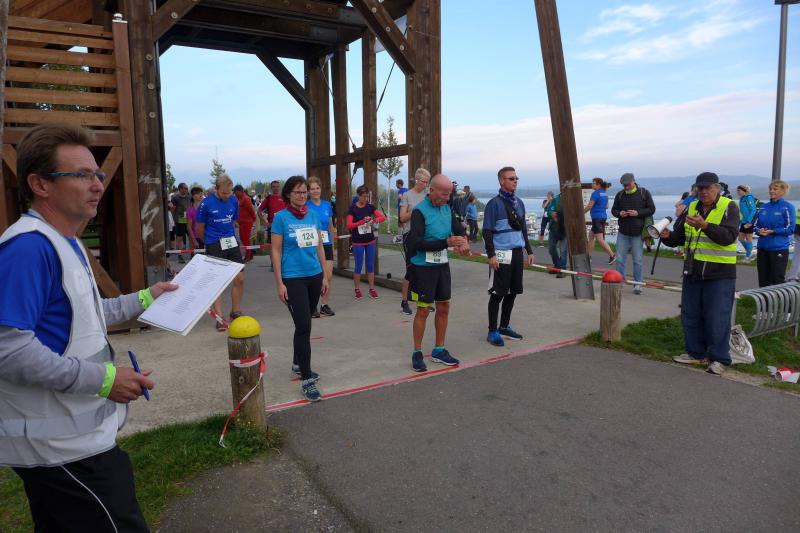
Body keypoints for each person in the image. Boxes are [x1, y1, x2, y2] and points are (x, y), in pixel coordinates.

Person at [0, 123, 178, 532]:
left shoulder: (64, 240)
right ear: (40, 185)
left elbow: (87, 313)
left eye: (97, 174)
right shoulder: (28, 249)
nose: (98, 184)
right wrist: (105, 380)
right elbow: (8, 350)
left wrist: (148, 297)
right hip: (62, 452)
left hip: (69, 446)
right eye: (81, 175)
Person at [660, 172, 740, 376]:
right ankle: (695, 353)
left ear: (717, 188)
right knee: (690, 314)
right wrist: (666, 236)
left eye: (708, 188)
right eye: (700, 188)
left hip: (720, 273)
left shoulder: (729, 206)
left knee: (717, 317)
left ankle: (719, 358)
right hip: (693, 271)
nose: (703, 191)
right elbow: (679, 237)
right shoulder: (692, 206)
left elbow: (729, 237)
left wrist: (705, 226)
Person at [271, 176, 329, 402]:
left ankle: (298, 364)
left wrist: (325, 276)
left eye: (304, 192)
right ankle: (306, 379)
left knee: (304, 324)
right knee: (304, 325)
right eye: (298, 192)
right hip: (292, 278)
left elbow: (320, 247)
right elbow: (275, 251)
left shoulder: (313, 216)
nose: (302, 196)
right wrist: (279, 282)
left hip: (314, 275)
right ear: (288, 194)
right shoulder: (281, 218)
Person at [406, 174, 470, 371]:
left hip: (441, 265)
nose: (447, 198)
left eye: (449, 194)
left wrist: (463, 241)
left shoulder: (447, 208)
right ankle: (417, 352)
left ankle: (439, 350)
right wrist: (446, 242)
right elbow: (416, 243)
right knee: (423, 310)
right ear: (431, 190)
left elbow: (458, 229)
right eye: (443, 194)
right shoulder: (419, 211)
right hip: (422, 267)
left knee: (444, 307)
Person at [482, 166, 535, 347]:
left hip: (517, 253)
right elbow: (487, 231)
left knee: (513, 292)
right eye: (511, 178)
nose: (515, 181)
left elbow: (523, 229)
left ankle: (504, 326)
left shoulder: (519, 203)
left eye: (516, 178)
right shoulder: (493, 204)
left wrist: (529, 250)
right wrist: (491, 255)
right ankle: (492, 331)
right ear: (501, 181)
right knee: (498, 293)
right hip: (501, 254)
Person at [196, 174, 245, 331]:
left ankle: (235, 311)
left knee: (239, 278)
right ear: (216, 189)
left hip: (231, 242)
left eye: (229, 192)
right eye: (223, 193)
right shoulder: (206, 203)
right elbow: (199, 228)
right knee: (217, 281)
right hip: (214, 243)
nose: (226, 196)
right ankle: (219, 317)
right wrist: (209, 242)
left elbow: (233, 220)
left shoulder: (233, 200)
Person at [611, 172, 655, 294]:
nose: (626, 187)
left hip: (638, 233)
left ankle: (638, 284)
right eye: (624, 185)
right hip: (623, 232)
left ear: (634, 181)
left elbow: (652, 209)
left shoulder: (644, 193)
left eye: (628, 185)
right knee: (620, 259)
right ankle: (620, 282)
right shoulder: (620, 195)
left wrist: (638, 213)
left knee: (638, 260)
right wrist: (619, 213)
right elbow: (614, 210)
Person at [399, 168, 431, 315]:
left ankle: (422, 300)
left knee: (424, 268)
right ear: (417, 180)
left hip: (424, 234)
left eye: (428, 182)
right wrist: (417, 210)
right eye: (424, 182)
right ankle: (404, 301)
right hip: (410, 235)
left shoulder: (427, 195)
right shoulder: (407, 195)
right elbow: (402, 218)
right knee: (411, 269)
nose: (426, 185)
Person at [753, 180, 795, 287]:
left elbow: (790, 229)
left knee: (777, 280)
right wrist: (759, 231)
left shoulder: (788, 207)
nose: (771, 191)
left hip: (779, 249)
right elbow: (755, 225)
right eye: (770, 189)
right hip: (762, 248)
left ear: (783, 191)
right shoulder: (763, 207)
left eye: (775, 189)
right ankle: (764, 298)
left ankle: (780, 299)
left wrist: (774, 231)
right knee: (763, 280)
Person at [347, 185, 385, 299]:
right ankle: (357, 289)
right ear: (359, 196)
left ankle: (372, 289)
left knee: (370, 265)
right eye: (364, 196)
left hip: (370, 240)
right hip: (358, 241)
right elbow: (349, 225)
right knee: (358, 266)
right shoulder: (353, 208)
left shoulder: (370, 206)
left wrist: (373, 220)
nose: (366, 198)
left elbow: (382, 217)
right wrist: (361, 222)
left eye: (367, 196)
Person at [307, 176, 336, 317]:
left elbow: (330, 224)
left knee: (328, 275)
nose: (315, 191)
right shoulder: (306, 206)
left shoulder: (327, 205)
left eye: (317, 188)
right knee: (314, 276)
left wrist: (333, 240)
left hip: (326, 243)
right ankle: (311, 306)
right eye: (312, 189)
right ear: (308, 191)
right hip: (312, 245)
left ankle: (324, 305)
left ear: (321, 189)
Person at [584, 177, 615, 264]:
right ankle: (588, 256)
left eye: (593, 183)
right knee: (591, 236)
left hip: (597, 218)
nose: (592, 184)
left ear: (598, 184)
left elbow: (590, 206)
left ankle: (612, 255)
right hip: (602, 217)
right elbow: (606, 206)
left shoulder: (595, 193)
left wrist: (580, 213)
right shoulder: (604, 193)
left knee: (599, 239)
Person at [258, 180, 286, 269]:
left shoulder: (285, 198)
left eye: (277, 186)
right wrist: (265, 222)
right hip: (273, 226)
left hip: (285, 226)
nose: (276, 188)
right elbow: (259, 210)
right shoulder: (268, 198)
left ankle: (284, 264)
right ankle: (274, 265)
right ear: (271, 188)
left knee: (285, 246)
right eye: (274, 187)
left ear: (280, 187)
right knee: (273, 246)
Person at [234, 184, 257, 262]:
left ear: (239, 191)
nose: (235, 194)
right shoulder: (239, 198)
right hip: (242, 222)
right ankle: (250, 253)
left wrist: (254, 218)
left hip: (247, 222)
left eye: (235, 192)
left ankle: (248, 256)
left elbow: (251, 210)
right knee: (242, 238)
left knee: (245, 239)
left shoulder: (245, 199)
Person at [547, 192, 568, 277]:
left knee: (563, 250)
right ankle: (557, 266)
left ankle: (562, 270)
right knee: (551, 249)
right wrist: (551, 214)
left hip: (565, 230)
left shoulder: (571, 199)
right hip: (553, 229)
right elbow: (549, 211)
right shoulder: (555, 199)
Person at [170, 182, 191, 263]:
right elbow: (172, 209)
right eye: (185, 188)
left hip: (188, 220)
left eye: (187, 188)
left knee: (191, 237)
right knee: (179, 238)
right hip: (179, 221)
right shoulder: (175, 198)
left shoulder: (189, 197)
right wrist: (174, 219)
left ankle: (193, 254)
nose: (187, 190)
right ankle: (180, 255)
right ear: (180, 189)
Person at [736, 184, 757, 263]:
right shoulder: (742, 198)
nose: (738, 192)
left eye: (739, 190)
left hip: (749, 222)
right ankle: (750, 253)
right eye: (737, 190)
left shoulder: (749, 197)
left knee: (749, 239)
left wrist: (749, 221)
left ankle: (748, 257)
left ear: (744, 190)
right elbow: (743, 211)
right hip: (743, 221)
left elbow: (753, 210)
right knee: (740, 238)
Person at [186, 185, 204, 252]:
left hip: (205, 237)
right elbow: (189, 227)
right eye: (198, 194)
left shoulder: (205, 208)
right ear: (193, 196)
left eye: (201, 193)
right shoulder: (190, 210)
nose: (201, 195)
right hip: (195, 237)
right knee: (196, 257)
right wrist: (194, 240)